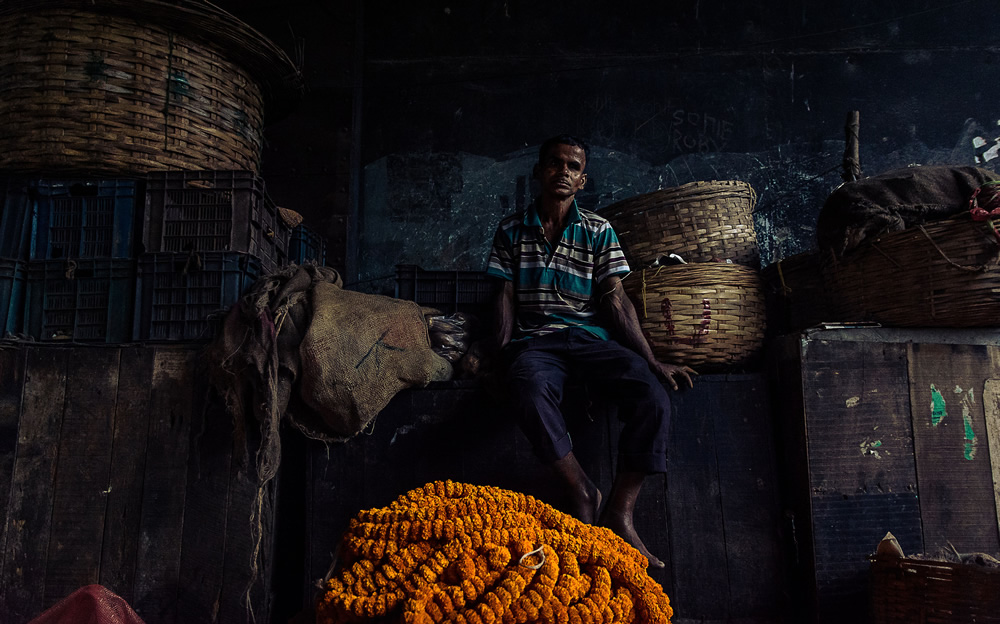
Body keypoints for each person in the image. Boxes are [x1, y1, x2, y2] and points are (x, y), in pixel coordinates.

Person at [485, 134, 696, 568]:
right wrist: (501, 352)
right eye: (555, 163)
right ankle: (582, 488)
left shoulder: (598, 230)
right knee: (526, 388)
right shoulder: (510, 231)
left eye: (573, 166)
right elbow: (503, 296)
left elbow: (616, 301)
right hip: (537, 342)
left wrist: (652, 361)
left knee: (652, 393)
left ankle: (620, 511)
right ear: (539, 171)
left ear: (582, 180)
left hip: (589, 340)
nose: (563, 171)